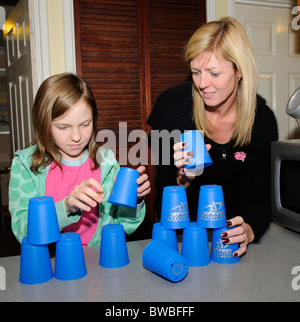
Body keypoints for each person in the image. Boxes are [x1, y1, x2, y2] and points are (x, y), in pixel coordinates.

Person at [147, 17, 278, 257]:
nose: (202, 84)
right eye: (196, 72)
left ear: (239, 71)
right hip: (184, 240)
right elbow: (162, 194)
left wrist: (248, 230)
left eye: (214, 73)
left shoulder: (262, 120)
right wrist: (182, 180)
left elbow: (260, 198)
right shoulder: (172, 108)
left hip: (234, 241)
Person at [9, 73, 151, 247]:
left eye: (85, 124)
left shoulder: (105, 161)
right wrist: (66, 207)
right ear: (44, 124)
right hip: (50, 262)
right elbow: (22, 230)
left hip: (99, 260)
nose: (76, 136)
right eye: (63, 127)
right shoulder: (26, 165)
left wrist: (133, 200)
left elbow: (123, 226)